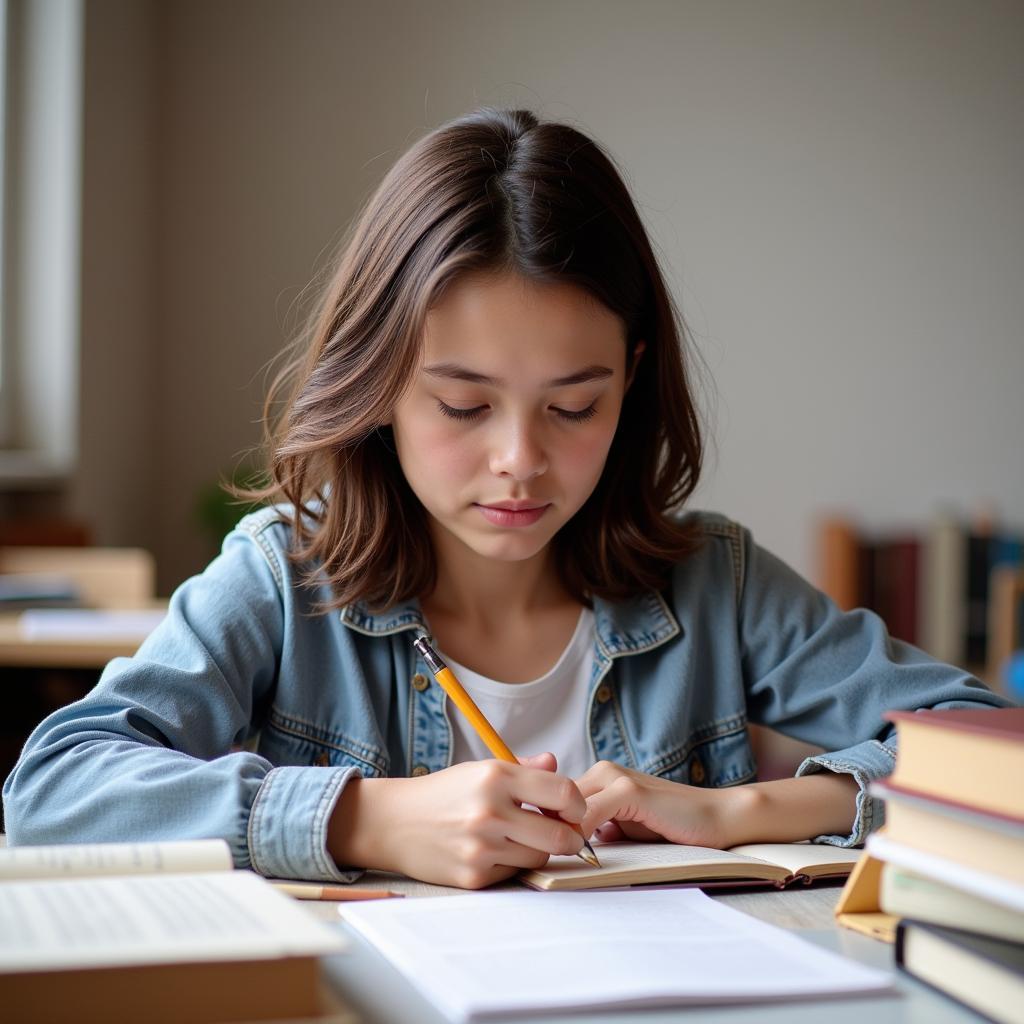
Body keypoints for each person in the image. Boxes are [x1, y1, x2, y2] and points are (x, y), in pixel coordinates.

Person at [3, 108, 1010, 889]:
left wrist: (744, 811)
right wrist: (366, 820)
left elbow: (992, 755)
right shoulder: (281, 579)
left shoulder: (715, 584)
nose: (519, 461)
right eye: (461, 403)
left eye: (575, 406)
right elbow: (53, 785)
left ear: (631, 379)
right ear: (379, 385)